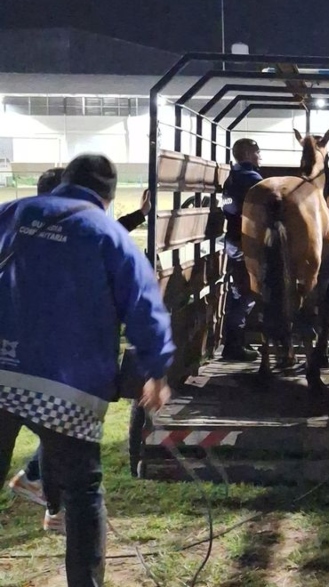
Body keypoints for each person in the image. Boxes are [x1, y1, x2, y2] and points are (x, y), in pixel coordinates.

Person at [0, 154, 175, 587]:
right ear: (110, 195)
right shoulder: (110, 235)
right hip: (69, 388)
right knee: (81, 495)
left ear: (64, 182)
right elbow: (145, 310)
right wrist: (155, 370)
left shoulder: (15, 212)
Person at [220, 137, 263, 361]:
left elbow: (229, 208)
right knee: (245, 294)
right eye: (256, 152)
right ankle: (234, 346)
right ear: (247, 154)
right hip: (247, 243)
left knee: (240, 292)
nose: (260, 156)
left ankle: (233, 343)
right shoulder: (253, 180)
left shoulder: (232, 178)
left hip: (233, 241)